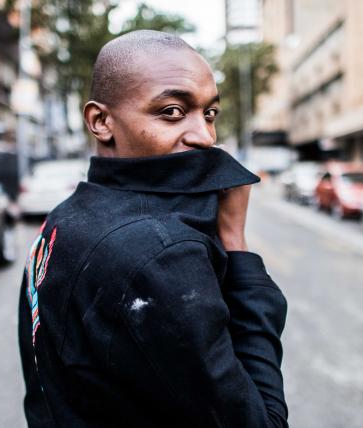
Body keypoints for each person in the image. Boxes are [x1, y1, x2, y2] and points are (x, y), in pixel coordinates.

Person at [18, 30, 288, 428]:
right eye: (173, 112)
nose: (206, 136)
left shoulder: (63, 217)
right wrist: (235, 242)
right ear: (101, 121)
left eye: (209, 113)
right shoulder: (159, 252)